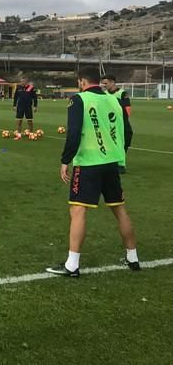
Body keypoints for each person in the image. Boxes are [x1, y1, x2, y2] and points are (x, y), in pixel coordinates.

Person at [46, 66, 139, 277]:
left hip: (88, 163)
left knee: (78, 210)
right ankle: (133, 258)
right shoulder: (114, 99)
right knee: (119, 209)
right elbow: (128, 131)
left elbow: (74, 133)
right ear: (99, 81)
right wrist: (120, 152)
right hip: (111, 163)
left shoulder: (79, 99)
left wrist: (65, 160)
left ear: (81, 81)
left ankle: (72, 265)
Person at [101, 74, 133, 174]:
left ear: (112, 82)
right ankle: (119, 164)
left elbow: (127, 109)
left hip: (122, 122)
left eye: (105, 83)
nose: (104, 85)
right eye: (103, 83)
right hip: (109, 122)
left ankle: (118, 160)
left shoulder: (122, 93)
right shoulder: (104, 94)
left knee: (126, 139)